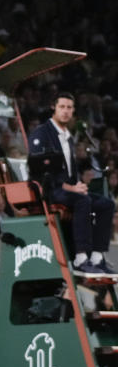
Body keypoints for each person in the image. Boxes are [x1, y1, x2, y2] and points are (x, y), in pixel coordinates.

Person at [29, 92, 115, 274]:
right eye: (62, 107)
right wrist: (71, 187)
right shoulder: (42, 133)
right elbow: (40, 171)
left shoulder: (68, 135)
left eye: (69, 107)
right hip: (50, 190)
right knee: (82, 201)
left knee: (107, 204)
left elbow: (69, 170)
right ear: (54, 107)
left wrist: (79, 185)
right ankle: (81, 257)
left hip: (69, 189)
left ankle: (97, 257)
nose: (66, 111)